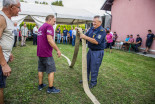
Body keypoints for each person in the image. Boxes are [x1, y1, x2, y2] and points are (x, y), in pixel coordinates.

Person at [0, 0, 21, 104]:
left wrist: (9, 52)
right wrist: (3, 64)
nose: (19, 10)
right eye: (18, 7)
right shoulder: (1, 18)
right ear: (11, 7)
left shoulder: (7, 19)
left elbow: (4, 39)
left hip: (4, 55)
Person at [79, 15, 106, 88]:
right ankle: (86, 79)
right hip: (90, 50)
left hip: (97, 52)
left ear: (100, 22)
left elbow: (97, 41)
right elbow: (85, 36)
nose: (93, 23)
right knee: (87, 65)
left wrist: (85, 37)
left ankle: (93, 82)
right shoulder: (91, 29)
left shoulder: (102, 31)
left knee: (94, 67)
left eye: (95, 22)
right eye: (93, 21)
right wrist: (80, 32)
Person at [37, 15, 61, 93]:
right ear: (50, 20)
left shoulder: (41, 27)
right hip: (46, 53)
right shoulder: (49, 26)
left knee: (41, 69)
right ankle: (50, 88)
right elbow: (50, 40)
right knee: (51, 70)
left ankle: (40, 85)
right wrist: (57, 50)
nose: (54, 23)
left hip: (40, 52)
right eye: (54, 21)